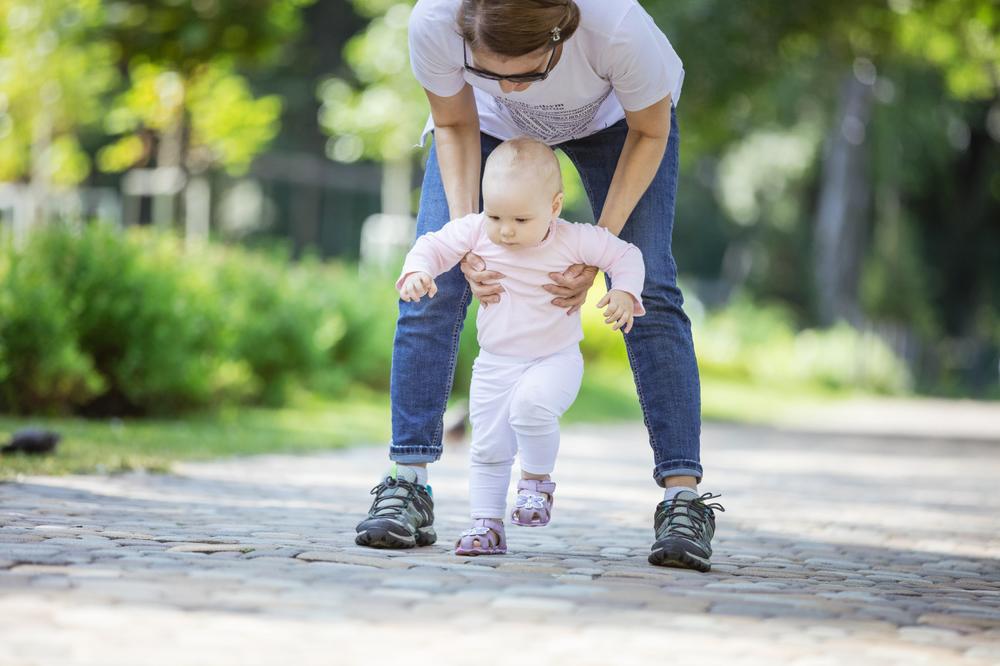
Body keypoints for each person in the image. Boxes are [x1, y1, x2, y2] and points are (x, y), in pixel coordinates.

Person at [355, 0, 724, 571]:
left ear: (559, 36)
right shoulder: (435, 21)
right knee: (437, 282)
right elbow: (454, 123)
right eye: (490, 72)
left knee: (649, 285)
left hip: (617, 125)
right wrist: (468, 241)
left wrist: (597, 249)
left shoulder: (617, 28)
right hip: (484, 129)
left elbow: (650, 131)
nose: (511, 89)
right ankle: (408, 482)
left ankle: (682, 500)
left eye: (526, 73)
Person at [396, 137, 645, 555]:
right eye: (495, 214)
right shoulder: (477, 230)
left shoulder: (575, 239)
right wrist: (418, 270)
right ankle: (486, 525)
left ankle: (536, 483)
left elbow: (627, 255)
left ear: (555, 207)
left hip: (555, 360)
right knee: (487, 446)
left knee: (531, 406)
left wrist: (623, 291)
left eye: (521, 219)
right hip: (495, 363)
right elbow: (433, 244)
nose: (506, 229)